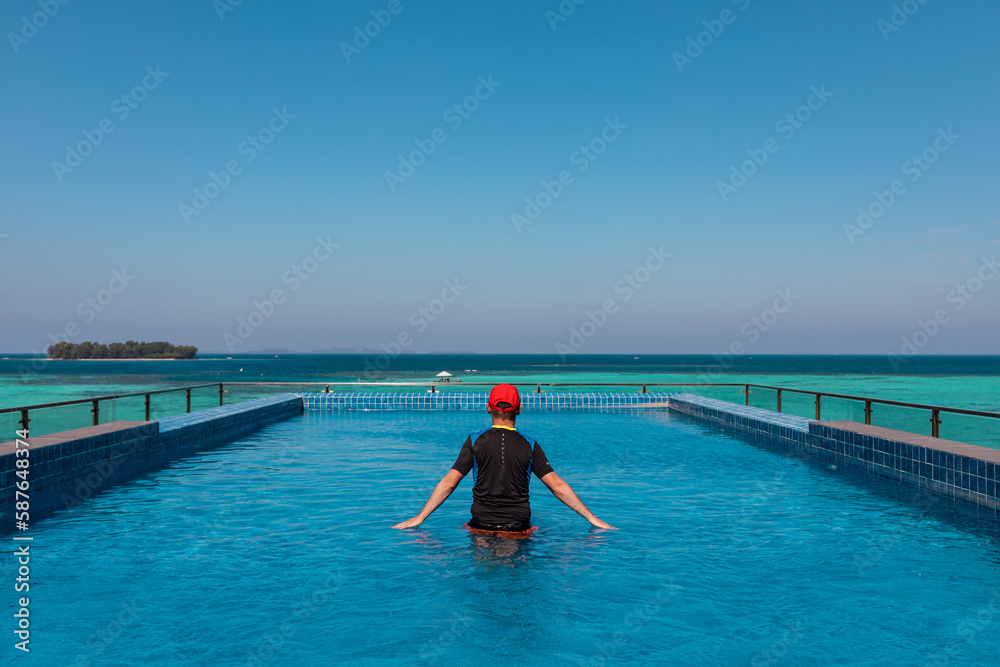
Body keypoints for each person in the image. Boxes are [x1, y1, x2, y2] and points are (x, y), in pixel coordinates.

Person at [392, 383, 616, 533]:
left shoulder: (474, 441)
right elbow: (557, 487)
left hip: (480, 525)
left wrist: (420, 517)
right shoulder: (530, 445)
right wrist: (591, 518)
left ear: (488, 408)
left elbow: (449, 483)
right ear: (519, 410)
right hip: (518, 528)